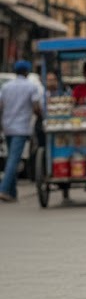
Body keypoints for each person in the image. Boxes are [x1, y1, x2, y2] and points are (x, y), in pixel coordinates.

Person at [0, 60, 41, 202]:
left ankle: (12, 193)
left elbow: (1, 105)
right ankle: (4, 189)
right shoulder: (31, 87)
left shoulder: (6, 87)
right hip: (21, 127)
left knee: (10, 158)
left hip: (7, 126)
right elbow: (36, 107)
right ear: (27, 72)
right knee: (13, 159)